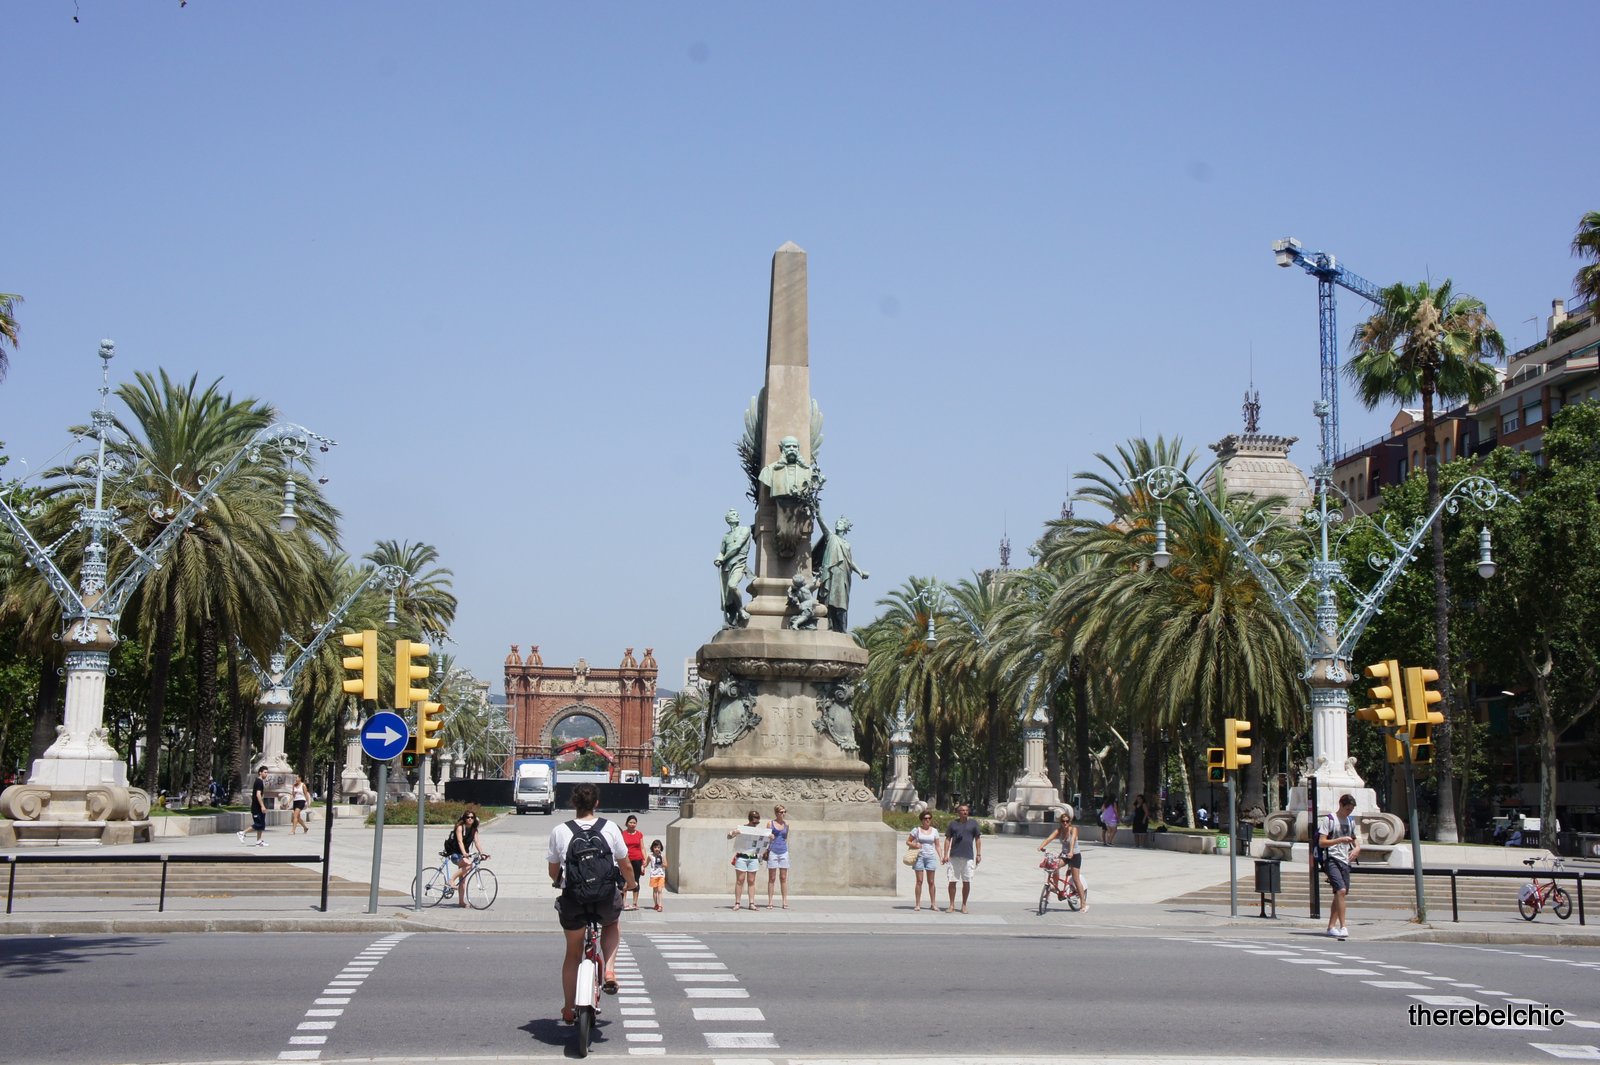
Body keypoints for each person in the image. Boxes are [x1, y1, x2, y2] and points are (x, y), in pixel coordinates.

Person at [547, 783, 635, 1024]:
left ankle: (568, 1007)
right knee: (611, 923)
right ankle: (610, 970)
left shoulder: (560, 831)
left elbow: (553, 871)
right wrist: (631, 883)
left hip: (574, 899)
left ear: (573, 803)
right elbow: (625, 864)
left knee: (572, 953)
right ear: (597, 803)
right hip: (605, 897)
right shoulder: (610, 828)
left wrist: (559, 881)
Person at [813, 516, 869, 631]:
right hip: (830, 574)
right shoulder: (831, 537)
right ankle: (828, 626)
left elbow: (850, 561)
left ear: (846, 528)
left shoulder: (847, 545)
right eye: (837, 522)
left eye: (841, 523)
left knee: (841, 604)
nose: (838, 524)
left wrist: (860, 572)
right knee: (828, 601)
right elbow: (822, 524)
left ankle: (841, 629)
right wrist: (818, 513)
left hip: (843, 575)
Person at [1318, 794, 1361, 940]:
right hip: (1331, 859)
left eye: (1351, 810)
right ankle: (1343, 926)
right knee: (1341, 890)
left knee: (1340, 894)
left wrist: (1357, 848)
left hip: (1345, 860)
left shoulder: (1350, 821)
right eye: (1347, 809)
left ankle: (1331, 927)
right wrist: (1339, 840)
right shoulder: (1329, 820)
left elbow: (1354, 839)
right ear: (1341, 805)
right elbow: (1322, 842)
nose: (1349, 812)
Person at [1038, 806, 1086, 911]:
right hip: (1064, 855)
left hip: (1074, 855)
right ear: (1060, 822)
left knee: (1076, 879)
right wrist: (1041, 846)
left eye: (1067, 821)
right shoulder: (1059, 831)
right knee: (1054, 866)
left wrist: (1071, 851)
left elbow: (1072, 841)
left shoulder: (1073, 829)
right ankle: (1055, 886)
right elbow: (1049, 838)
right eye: (1063, 821)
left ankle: (1083, 904)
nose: (1065, 823)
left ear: (1070, 822)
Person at [714, 508, 752, 628]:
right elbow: (722, 551)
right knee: (727, 596)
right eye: (733, 515)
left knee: (732, 585)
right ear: (728, 519)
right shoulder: (726, 536)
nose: (736, 516)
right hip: (726, 567)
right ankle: (732, 615)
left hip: (739, 563)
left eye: (737, 514)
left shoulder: (745, 530)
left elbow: (737, 546)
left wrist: (723, 558)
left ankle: (740, 609)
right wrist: (717, 559)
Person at [941, 803, 982, 913]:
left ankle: (964, 905)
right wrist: (945, 854)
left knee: (966, 881)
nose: (965, 812)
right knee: (952, 880)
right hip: (954, 856)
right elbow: (947, 839)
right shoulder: (953, 824)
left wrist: (978, 854)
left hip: (968, 856)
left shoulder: (973, 823)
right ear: (958, 812)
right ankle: (951, 905)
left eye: (966, 810)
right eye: (962, 810)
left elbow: (978, 839)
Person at [444, 809, 490, 907]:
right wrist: (464, 853)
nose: (470, 819)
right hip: (455, 854)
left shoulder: (474, 830)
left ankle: (461, 902)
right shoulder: (460, 827)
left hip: (464, 855)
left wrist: (482, 853)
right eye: (468, 817)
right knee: (469, 865)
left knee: (463, 879)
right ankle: (451, 880)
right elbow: (460, 841)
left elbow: (477, 842)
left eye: (472, 817)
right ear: (464, 818)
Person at [727, 809, 766, 910]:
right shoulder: (742, 828)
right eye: (754, 821)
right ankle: (737, 903)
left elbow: (764, 842)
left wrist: (770, 837)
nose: (756, 824)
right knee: (740, 880)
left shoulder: (758, 831)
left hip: (753, 857)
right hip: (742, 856)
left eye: (757, 822)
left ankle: (751, 903)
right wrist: (733, 832)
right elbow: (728, 836)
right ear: (750, 819)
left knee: (751, 880)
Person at [907, 810, 940, 911]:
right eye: (925, 818)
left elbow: (937, 845)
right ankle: (917, 904)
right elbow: (908, 841)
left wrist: (941, 856)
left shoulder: (934, 831)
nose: (927, 820)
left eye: (929, 818)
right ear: (922, 819)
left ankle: (933, 904)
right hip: (919, 857)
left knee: (931, 881)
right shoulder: (916, 830)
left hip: (930, 857)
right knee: (919, 881)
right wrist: (915, 844)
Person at [765, 805, 791, 910]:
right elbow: (765, 837)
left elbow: (785, 837)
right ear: (776, 813)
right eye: (781, 812)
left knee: (783, 877)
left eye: (784, 812)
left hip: (783, 851)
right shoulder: (770, 823)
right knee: (772, 877)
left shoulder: (786, 824)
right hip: (773, 851)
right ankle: (770, 901)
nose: (783, 814)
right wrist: (769, 837)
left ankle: (784, 901)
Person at [237, 765, 269, 847]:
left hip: (259, 807)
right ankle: (242, 833)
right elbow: (258, 795)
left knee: (262, 824)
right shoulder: (259, 782)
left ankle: (259, 841)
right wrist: (262, 806)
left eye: (267, 772)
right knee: (258, 824)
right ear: (260, 773)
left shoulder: (260, 781)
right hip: (256, 807)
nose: (266, 774)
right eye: (265, 772)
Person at [621, 815, 645, 911]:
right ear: (627, 823)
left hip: (637, 859)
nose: (632, 824)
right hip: (626, 860)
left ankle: (635, 903)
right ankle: (624, 902)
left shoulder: (639, 834)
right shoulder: (622, 834)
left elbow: (642, 848)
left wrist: (644, 860)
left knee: (636, 880)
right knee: (625, 880)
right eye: (630, 822)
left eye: (634, 823)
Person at [645, 839, 668, 912]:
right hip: (654, 875)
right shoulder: (650, 856)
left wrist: (661, 863)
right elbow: (646, 863)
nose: (657, 849)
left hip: (661, 875)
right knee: (655, 891)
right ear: (652, 848)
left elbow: (666, 865)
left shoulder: (662, 856)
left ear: (661, 848)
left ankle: (660, 905)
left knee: (660, 890)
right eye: (655, 847)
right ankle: (656, 904)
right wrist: (642, 867)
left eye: (658, 847)